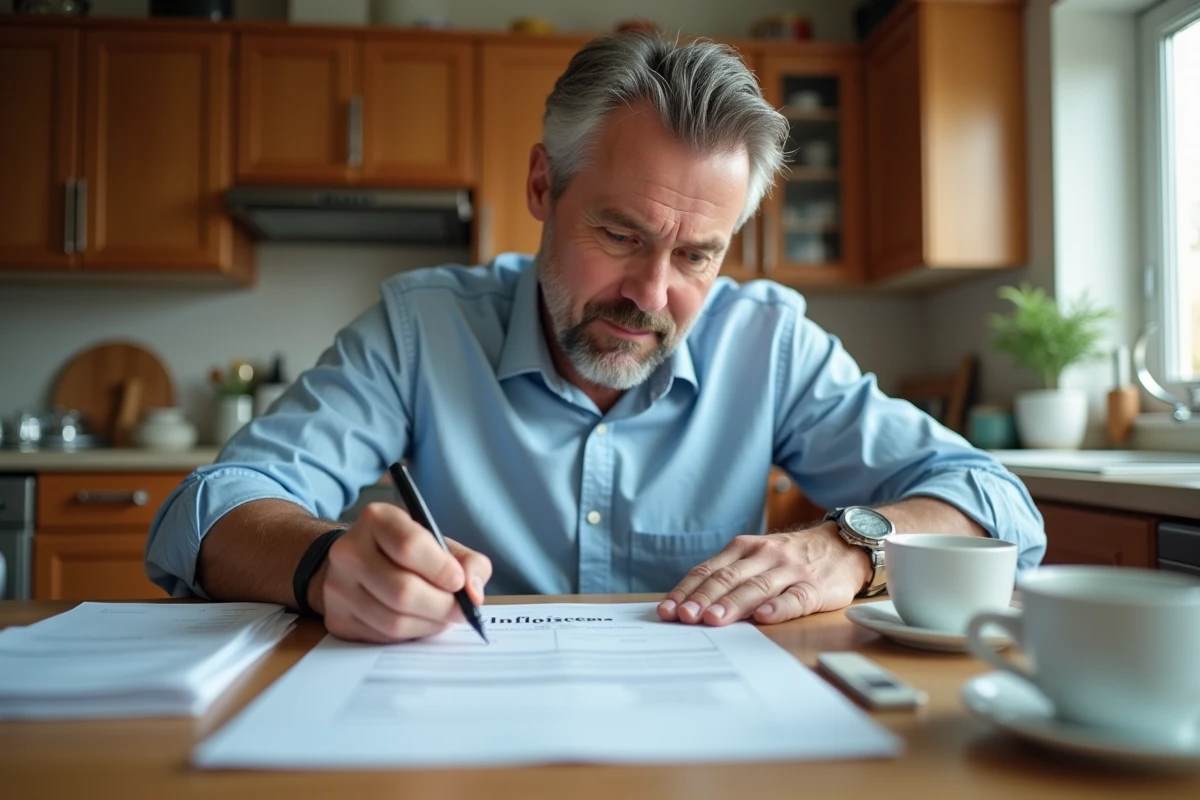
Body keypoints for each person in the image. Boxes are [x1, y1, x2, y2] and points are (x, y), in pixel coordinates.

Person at [146, 32, 1044, 643]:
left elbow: (995, 500)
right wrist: (319, 563)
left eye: (697, 255)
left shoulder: (766, 342)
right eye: (619, 236)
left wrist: (854, 544)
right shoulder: (421, 330)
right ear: (544, 184)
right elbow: (209, 510)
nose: (652, 294)